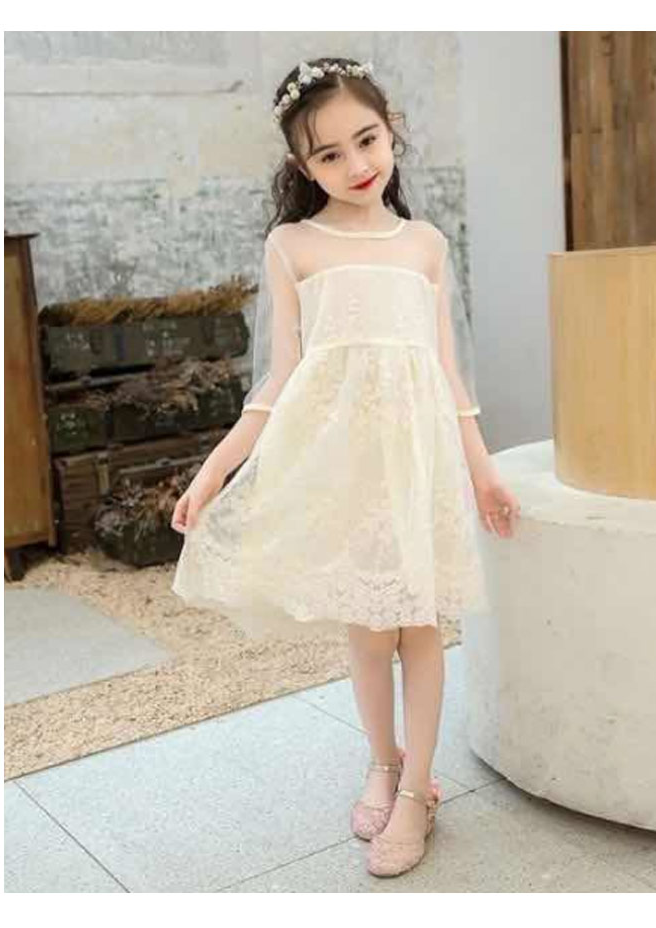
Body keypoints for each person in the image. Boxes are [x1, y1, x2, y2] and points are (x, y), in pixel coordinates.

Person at [170, 57, 521, 878]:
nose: (356, 164)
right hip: (346, 465)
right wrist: (215, 469)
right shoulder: (294, 245)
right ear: (303, 166)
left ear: (391, 129)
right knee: (368, 626)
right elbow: (279, 379)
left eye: (366, 140)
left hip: (417, 461)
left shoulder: (424, 245)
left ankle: (418, 791)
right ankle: (383, 762)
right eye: (329, 154)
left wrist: (482, 471)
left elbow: (447, 375)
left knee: (421, 624)